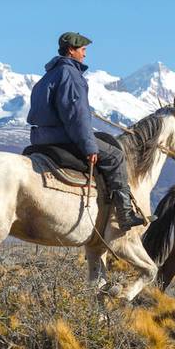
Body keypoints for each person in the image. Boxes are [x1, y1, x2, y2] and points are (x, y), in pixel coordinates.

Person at [26, 32, 145, 231]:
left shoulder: (48, 76)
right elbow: (76, 116)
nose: (85, 55)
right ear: (71, 51)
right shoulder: (70, 75)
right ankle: (125, 213)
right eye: (82, 50)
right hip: (61, 136)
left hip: (40, 138)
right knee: (115, 155)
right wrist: (89, 147)